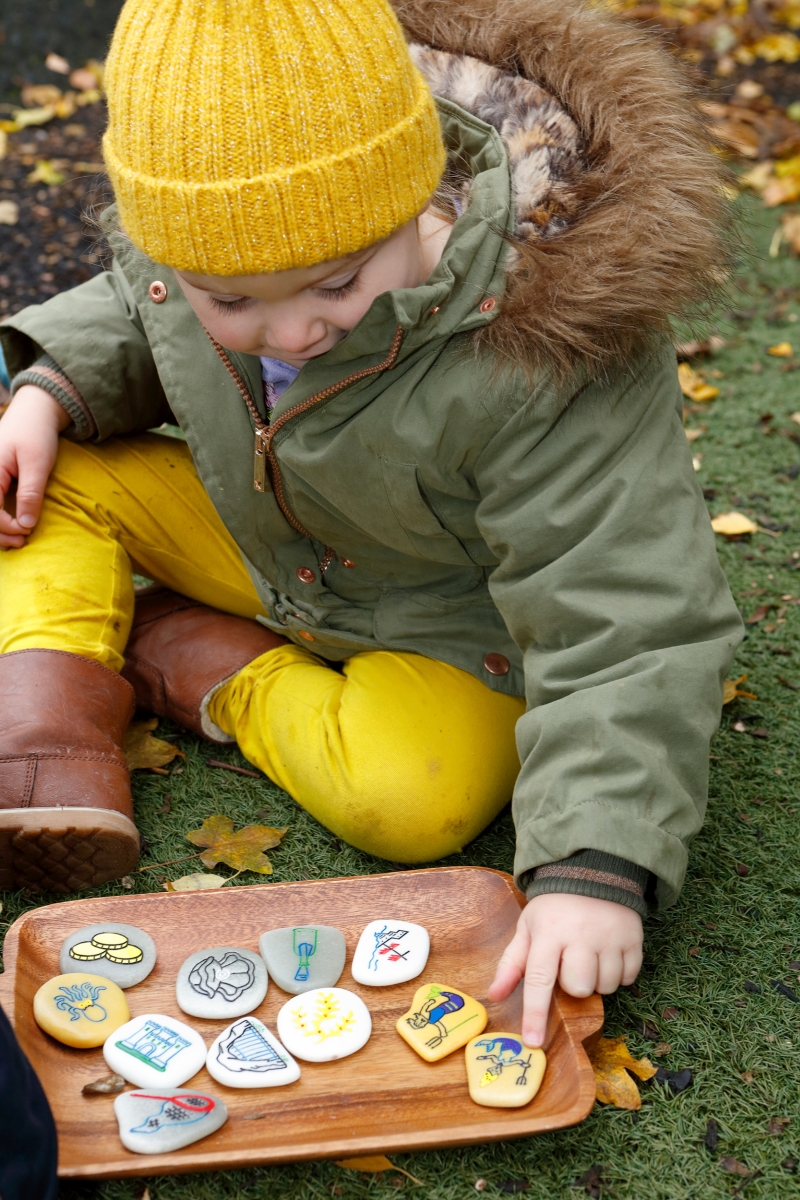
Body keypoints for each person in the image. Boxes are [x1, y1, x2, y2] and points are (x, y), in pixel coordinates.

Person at [0, 0, 742, 1047]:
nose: (293, 329)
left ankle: (205, 662)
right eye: (230, 300)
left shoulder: (543, 346)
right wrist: (48, 390)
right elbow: (139, 305)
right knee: (40, 477)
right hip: (261, 536)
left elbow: (623, 609)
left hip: (448, 621)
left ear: (415, 194)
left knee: (409, 802)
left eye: (339, 283)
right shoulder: (196, 254)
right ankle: (42, 738)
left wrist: (596, 864)